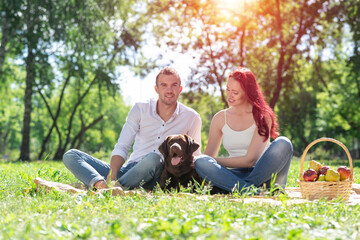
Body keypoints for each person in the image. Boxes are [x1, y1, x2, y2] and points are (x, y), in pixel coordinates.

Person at [63, 67, 202, 191]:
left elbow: (195, 156)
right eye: (164, 85)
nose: (169, 90)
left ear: (180, 89)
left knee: (154, 158)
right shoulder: (140, 108)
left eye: (174, 85)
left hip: (157, 174)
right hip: (129, 170)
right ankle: (103, 186)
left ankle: (111, 188)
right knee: (71, 155)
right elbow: (122, 146)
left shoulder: (192, 117)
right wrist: (112, 176)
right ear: (156, 89)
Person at [195, 67, 293, 194]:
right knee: (200, 162)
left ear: (247, 93)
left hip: (263, 174)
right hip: (234, 175)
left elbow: (250, 160)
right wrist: (205, 160)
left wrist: (216, 161)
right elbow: (207, 158)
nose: (229, 95)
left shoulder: (263, 116)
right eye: (228, 90)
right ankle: (251, 190)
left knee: (284, 143)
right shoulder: (220, 118)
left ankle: (239, 188)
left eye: (235, 92)